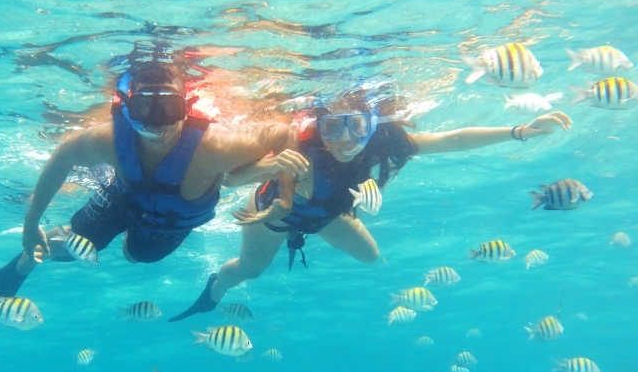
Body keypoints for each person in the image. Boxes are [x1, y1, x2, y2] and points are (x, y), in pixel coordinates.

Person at [168, 90, 573, 321]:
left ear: (373, 124)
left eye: (358, 126)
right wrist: (266, 168)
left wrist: (520, 130)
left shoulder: (386, 144)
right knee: (250, 271)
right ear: (320, 128)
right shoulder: (301, 150)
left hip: (327, 213)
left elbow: (453, 139)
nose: (346, 140)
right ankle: (212, 292)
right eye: (333, 127)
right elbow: (228, 176)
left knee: (371, 256)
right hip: (274, 213)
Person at [0, 60, 306, 305]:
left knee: (137, 256)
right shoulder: (108, 139)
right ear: (126, 107)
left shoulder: (218, 146)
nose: (156, 122)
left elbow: (286, 132)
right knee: (81, 245)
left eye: (168, 108)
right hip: (122, 197)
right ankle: (20, 266)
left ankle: (121, 239)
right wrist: (31, 224)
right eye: (143, 108)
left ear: (187, 107)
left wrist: (286, 198)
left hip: (172, 219)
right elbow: (62, 157)